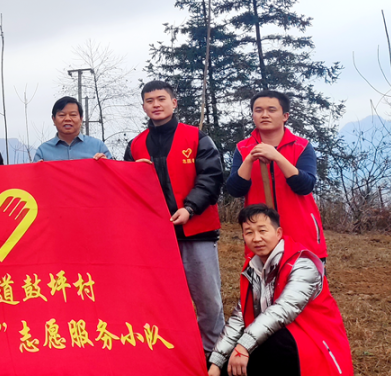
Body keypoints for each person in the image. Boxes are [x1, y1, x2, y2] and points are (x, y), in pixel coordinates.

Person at [208, 205, 353, 376]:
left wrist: (243, 347)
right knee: (223, 367)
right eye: (249, 233)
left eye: (262, 230)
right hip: (279, 338)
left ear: (278, 233)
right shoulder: (253, 266)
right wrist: (216, 360)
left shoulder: (303, 264)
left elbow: (283, 311)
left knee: (277, 339)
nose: (256, 238)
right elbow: (240, 317)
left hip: (316, 343)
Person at [124, 80, 225, 356]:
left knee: (208, 300)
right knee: (161, 299)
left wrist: (190, 208)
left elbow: (212, 178)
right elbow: (124, 186)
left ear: (174, 103)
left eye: (161, 99)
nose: (156, 105)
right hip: (155, 235)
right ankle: (170, 355)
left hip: (197, 231)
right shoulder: (135, 145)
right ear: (143, 106)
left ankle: (213, 355)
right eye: (149, 100)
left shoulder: (196, 137)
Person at [224, 91, 326, 259]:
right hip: (260, 237)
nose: (264, 115)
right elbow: (235, 189)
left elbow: (305, 186)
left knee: (305, 284)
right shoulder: (243, 149)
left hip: (302, 235)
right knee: (263, 285)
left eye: (271, 110)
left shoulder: (301, 147)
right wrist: (250, 159)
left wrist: (277, 157)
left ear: (285, 116)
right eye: (258, 110)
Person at [33, 96, 112, 162]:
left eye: (73, 115)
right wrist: (37, 170)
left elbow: (114, 176)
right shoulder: (43, 151)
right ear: (54, 119)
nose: (67, 119)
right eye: (62, 115)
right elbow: (33, 179)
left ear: (81, 119)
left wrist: (106, 164)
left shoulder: (98, 147)